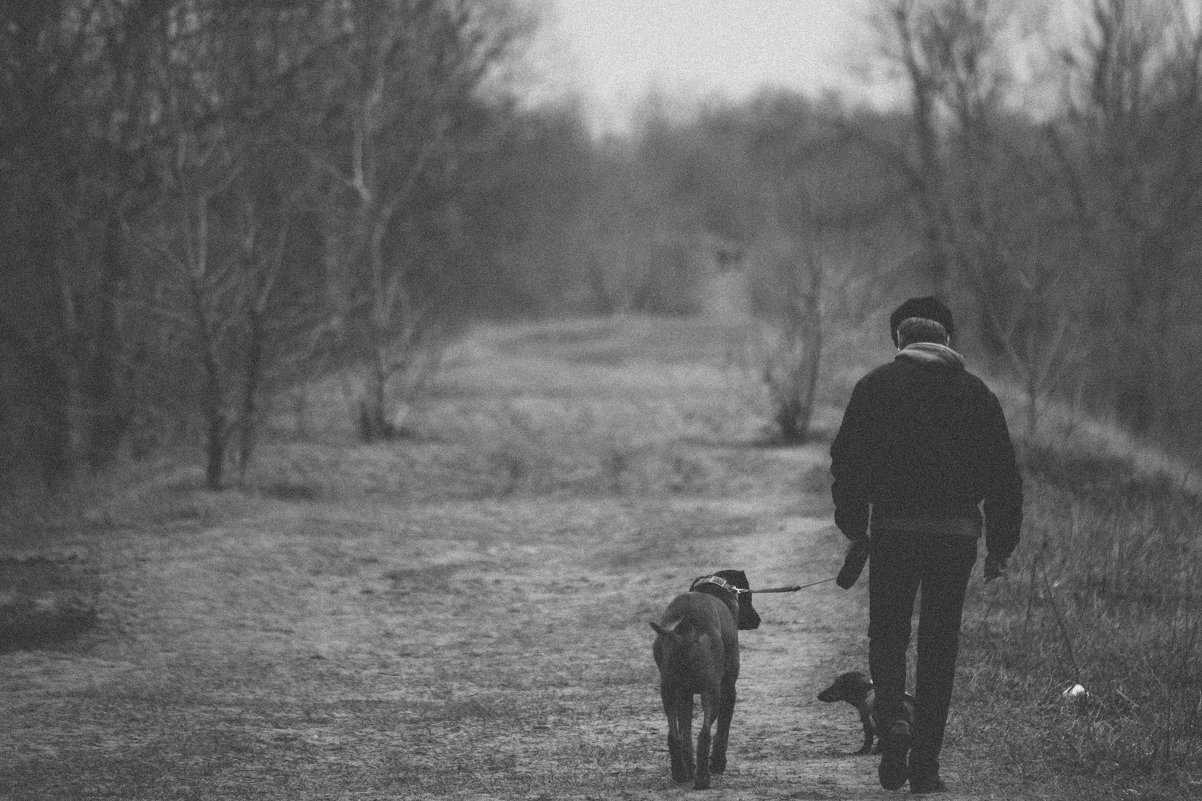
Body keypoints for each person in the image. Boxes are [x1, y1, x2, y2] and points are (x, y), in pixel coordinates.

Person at [829, 296, 1023, 794]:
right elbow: (1004, 474)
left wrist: (855, 525)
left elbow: (847, 461)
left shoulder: (874, 387)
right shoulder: (977, 393)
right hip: (954, 540)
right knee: (940, 647)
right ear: (948, 341)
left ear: (899, 341)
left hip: (893, 534)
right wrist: (1001, 544)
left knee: (888, 636)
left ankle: (893, 719)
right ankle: (926, 767)